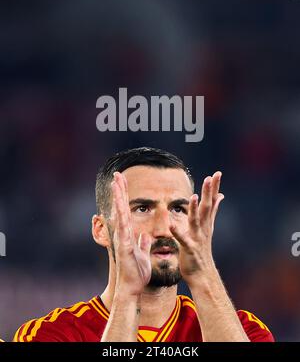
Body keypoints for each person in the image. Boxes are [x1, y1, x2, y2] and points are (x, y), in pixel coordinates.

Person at [13, 147, 274, 342]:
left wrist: (203, 274)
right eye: (143, 208)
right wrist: (127, 296)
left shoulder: (245, 331)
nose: (163, 228)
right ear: (101, 230)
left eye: (178, 209)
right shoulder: (53, 334)